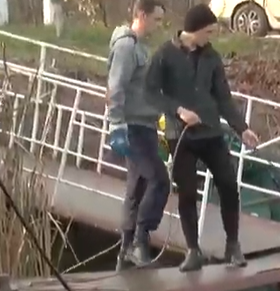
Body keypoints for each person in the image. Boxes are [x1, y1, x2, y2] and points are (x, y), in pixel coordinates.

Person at [145, 4, 260, 272]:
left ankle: (233, 245)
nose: (211, 36)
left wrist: (241, 128)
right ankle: (193, 250)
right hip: (181, 134)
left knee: (229, 184)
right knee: (186, 192)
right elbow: (150, 91)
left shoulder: (212, 57)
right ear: (194, 30)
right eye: (208, 31)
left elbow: (223, 97)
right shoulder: (164, 54)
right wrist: (178, 110)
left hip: (211, 132)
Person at [107, 0, 167, 271]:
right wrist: (116, 125)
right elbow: (115, 87)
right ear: (142, 15)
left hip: (147, 126)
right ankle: (140, 240)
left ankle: (125, 250)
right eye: (156, 19)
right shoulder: (126, 46)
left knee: (139, 185)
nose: (158, 25)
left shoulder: (141, 47)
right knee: (159, 179)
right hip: (132, 127)